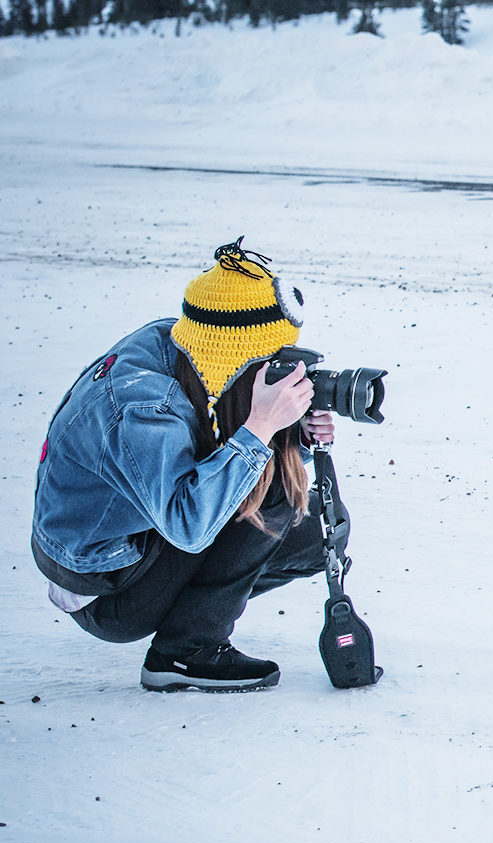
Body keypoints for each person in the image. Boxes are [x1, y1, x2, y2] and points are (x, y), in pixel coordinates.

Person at [31, 239, 344, 691]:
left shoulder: (186, 349)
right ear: (234, 362)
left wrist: (294, 431)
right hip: (105, 586)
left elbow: (211, 426)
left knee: (317, 533)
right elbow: (188, 523)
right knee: (271, 497)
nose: (278, 370)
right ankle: (183, 655)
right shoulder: (145, 406)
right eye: (269, 363)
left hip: (146, 542)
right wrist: (260, 427)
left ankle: (190, 627)